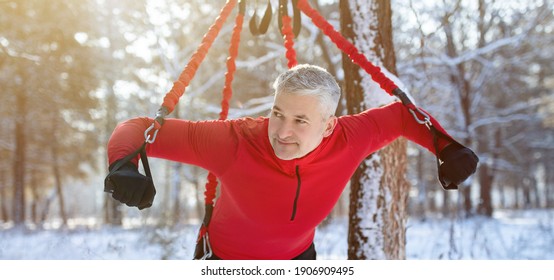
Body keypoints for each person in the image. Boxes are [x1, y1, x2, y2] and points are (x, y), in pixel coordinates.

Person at [105, 64, 478, 260]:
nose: (282, 131)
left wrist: (446, 147)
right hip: (222, 261)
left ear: (328, 125)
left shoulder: (349, 139)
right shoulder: (234, 141)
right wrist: (123, 164)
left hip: (300, 260)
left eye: (300, 121)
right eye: (278, 113)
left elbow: (401, 116)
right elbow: (138, 128)